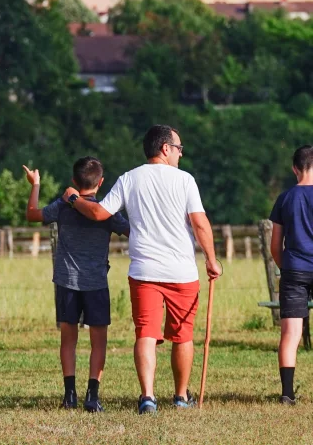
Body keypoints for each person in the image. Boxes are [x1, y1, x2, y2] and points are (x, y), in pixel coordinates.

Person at [62, 125, 221, 414]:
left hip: (144, 271)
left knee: (146, 333)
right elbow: (199, 223)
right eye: (179, 148)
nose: (181, 154)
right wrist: (212, 259)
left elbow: (99, 213)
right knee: (183, 335)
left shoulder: (129, 179)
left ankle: (148, 396)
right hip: (182, 272)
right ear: (165, 148)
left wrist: (73, 198)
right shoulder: (185, 181)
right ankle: (181, 396)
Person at [24, 156, 129, 413]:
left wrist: (35, 185)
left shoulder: (62, 206)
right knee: (99, 342)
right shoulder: (107, 211)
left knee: (68, 340)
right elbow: (132, 230)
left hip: (66, 281)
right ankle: (92, 396)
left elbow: (32, 215)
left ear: (73, 181)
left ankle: (69, 395)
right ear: (101, 182)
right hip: (95, 283)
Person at [270, 144, 313, 406]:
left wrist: (286, 268)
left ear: (294, 169)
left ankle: (287, 393)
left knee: (290, 334)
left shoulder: (285, 198)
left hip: (294, 269)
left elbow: (276, 245)